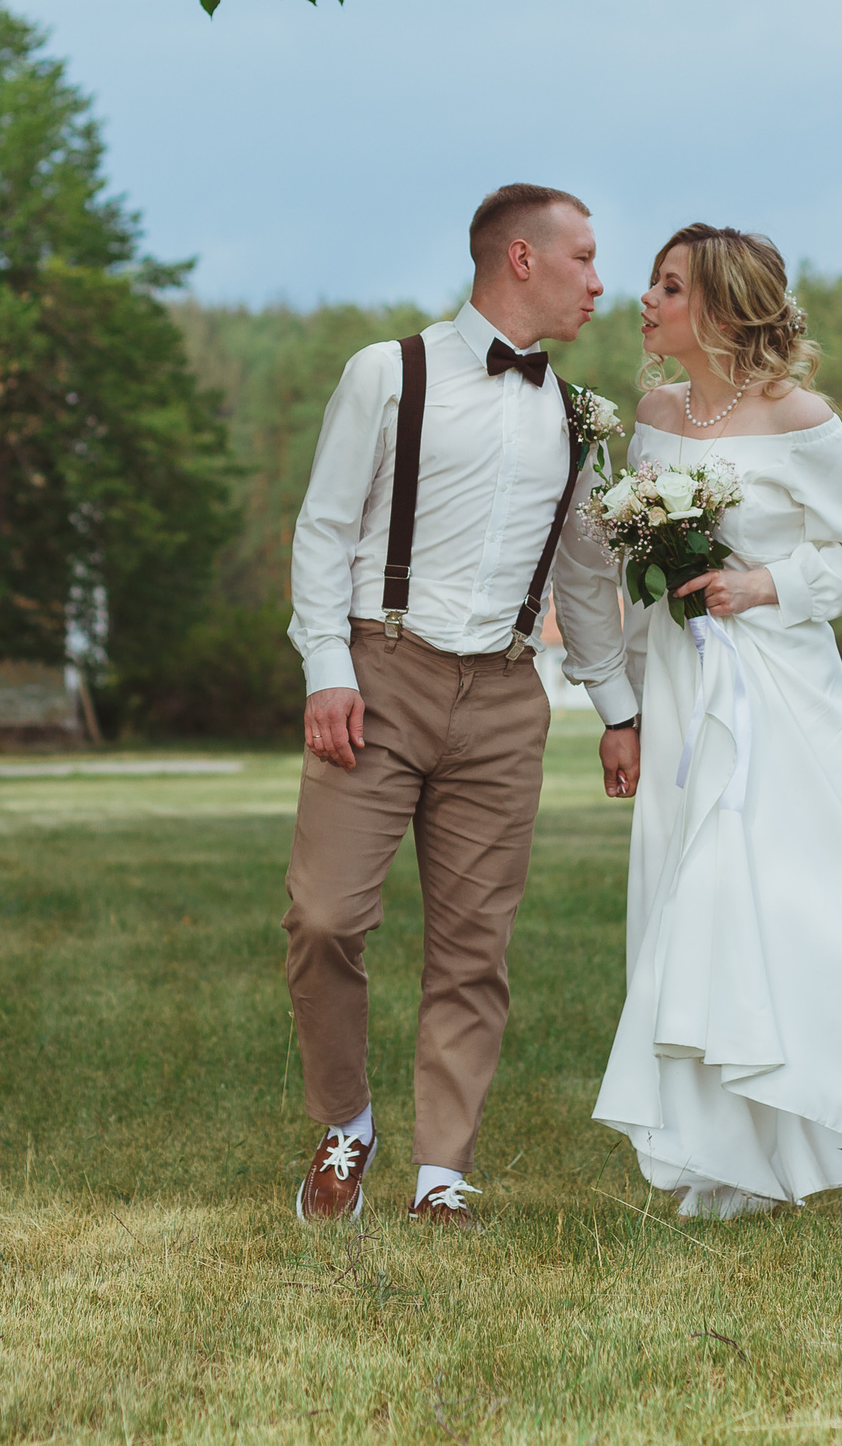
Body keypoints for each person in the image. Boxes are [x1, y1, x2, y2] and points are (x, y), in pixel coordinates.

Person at [590, 223, 842, 1240]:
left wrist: (767, 584)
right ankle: (726, 1162)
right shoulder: (656, 417)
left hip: (777, 694)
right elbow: (640, 584)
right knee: (690, 912)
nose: (645, 301)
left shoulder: (800, 418)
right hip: (678, 693)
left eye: (667, 288)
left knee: (824, 909)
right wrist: (620, 710)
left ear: (716, 307)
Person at [283, 184, 637, 1226]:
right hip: (377, 674)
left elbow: (581, 579)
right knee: (323, 917)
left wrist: (614, 708)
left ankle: (443, 1172)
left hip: (503, 697)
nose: (599, 281)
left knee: (474, 945)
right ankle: (345, 1125)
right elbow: (321, 529)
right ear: (519, 260)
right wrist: (325, 669)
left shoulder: (577, 417)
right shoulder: (386, 373)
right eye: (582, 258)